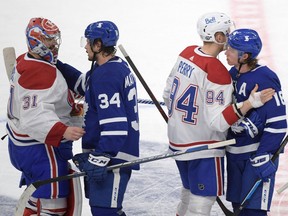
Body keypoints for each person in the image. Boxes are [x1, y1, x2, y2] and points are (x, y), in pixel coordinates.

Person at [162, 12, 275, 216]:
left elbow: (167, 94)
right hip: (203, 146)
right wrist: (249, 103)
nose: (230, 37)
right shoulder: (218, 71)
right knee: (201, 202)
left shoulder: (186, 53)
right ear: (219, 37)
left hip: (177, 140)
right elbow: (218, 123)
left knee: (187, 193)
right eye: (227, 33)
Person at [56, 20, 140, 216]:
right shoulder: (112, 67)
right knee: (107, 210)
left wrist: (101, 156)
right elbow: (81, 84)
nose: (85, 46)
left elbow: (116, 125)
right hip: (115, 152)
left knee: (104, 211)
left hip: (113, 155)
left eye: (88, 41)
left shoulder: (107, 75)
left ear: (98, 45)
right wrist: (55, 63)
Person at [6, 17, 85, 215]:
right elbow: (33, 117)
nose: (54, 44)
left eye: (55, 40)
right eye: (49, 40)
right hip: (38, 148)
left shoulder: (27, 60)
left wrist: (70, 104)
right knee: (55, 205)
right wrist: (64, 130)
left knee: (39, 196)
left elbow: (49, 94)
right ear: (37, 41)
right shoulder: (37, 72)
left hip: (24, 145)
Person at [225, 28, 287, 216]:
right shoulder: (232, 74)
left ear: (245, 56)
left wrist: (264, 154)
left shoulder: (264, 77)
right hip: (235, 153)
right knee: (238, 207)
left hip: (255, 157)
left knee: (252, 212)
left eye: (231, 49)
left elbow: (278, 121)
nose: (226, 51)